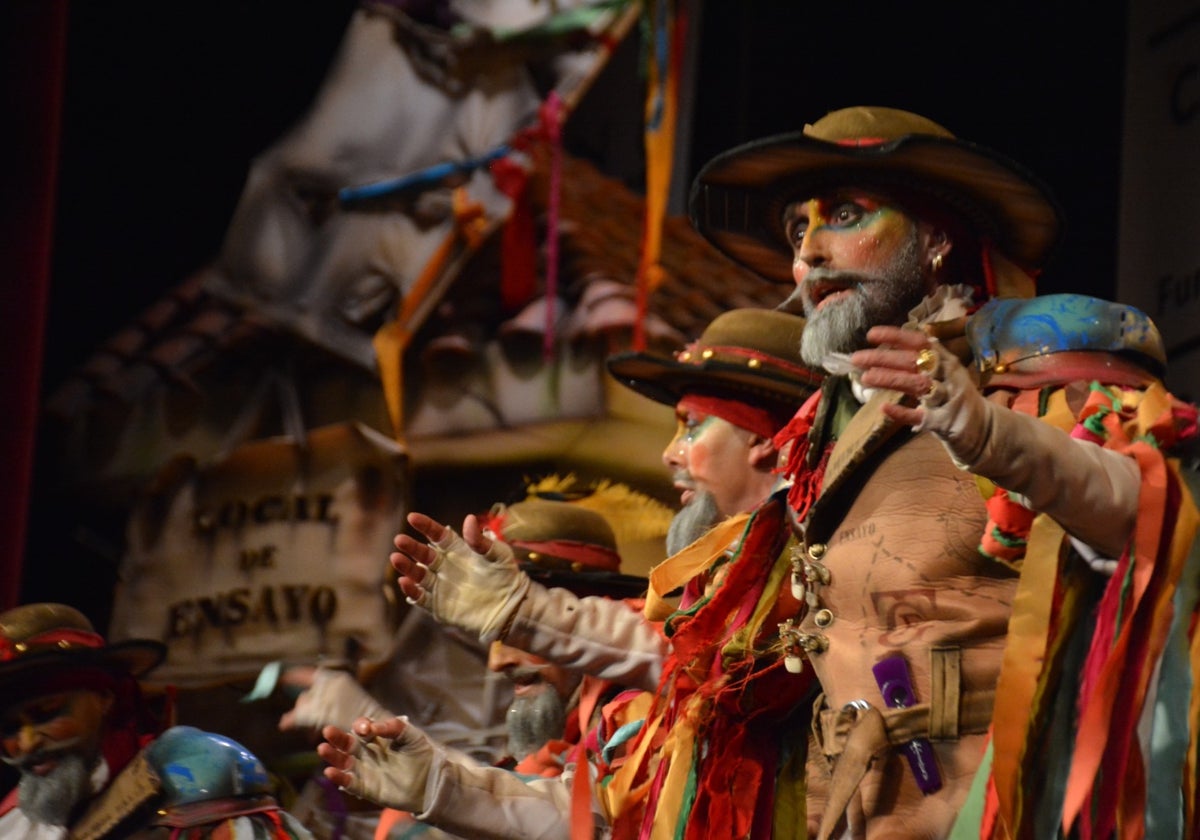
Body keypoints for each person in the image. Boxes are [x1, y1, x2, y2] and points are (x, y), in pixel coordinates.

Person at [689, 106, 1199, 838]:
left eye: (844, 213)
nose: (811, 254)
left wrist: (983, 429)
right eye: (799, 231)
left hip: (983, 808)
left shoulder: (1023, 373)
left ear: (934, 239)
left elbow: (1146, 508)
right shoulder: (816, 441)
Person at [320, 307, 828, 839]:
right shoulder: (639, 705)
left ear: (765, 438)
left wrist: (523, 611)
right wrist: (437, 786)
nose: (669, 452)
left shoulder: (819, 568)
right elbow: (598, 821)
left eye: (692, 425)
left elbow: (718, 667)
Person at [286, 490, 658, 840]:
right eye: (496, 637)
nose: (497, 662)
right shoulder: (568, 732)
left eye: (519, 637)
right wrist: (433, 784)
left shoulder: (639, 722)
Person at [0, 602, 313, 839]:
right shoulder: (11, 823)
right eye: (10, 728)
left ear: (105, 697)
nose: (28, 742)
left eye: (47, 713)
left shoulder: (196, 773)